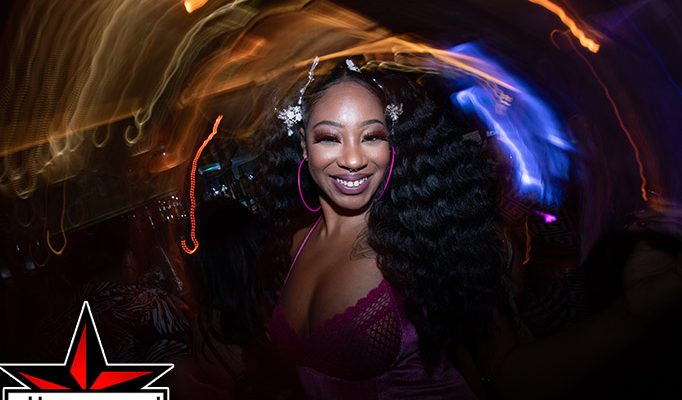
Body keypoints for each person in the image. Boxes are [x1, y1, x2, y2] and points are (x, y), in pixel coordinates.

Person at [254, 57, 682, 399]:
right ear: (303, 145)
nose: (352, 159)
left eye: (372, 136)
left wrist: (630, 316)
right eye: (329, 137)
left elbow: (510, 375)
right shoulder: (295, 245)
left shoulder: (426, 243)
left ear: (393, 144)